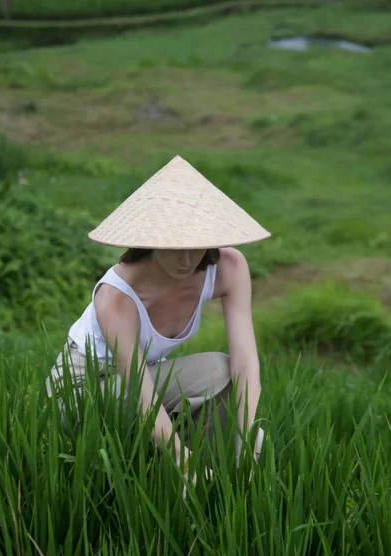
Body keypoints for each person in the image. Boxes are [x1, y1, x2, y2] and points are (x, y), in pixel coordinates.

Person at [46, 155, 271, 476]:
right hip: (81, 393)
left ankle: (223, 464)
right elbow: (143, 396)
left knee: (220, 370)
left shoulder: (230, 268)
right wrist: (185, 465)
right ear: (149, 240)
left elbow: (246, 363)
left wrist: (247, 442)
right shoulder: (116, 296)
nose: (185, 259)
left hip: (138, 383)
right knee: (157, 426)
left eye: (195, 245)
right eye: (172, 245)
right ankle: (170, 456)